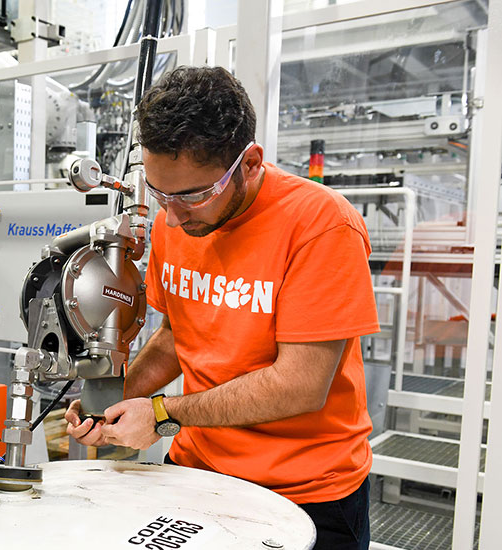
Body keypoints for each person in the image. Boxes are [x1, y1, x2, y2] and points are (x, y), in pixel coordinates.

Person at [65, 66, 380, 550]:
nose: (171, 215)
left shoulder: (322, 226)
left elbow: (300, 385)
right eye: (160, 192)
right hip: (196, 471)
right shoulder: (178, 220)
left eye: (192, 194)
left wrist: (162, 414)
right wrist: (110, 401)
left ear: (249, 162)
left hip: (306, 492)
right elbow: (176, 335)